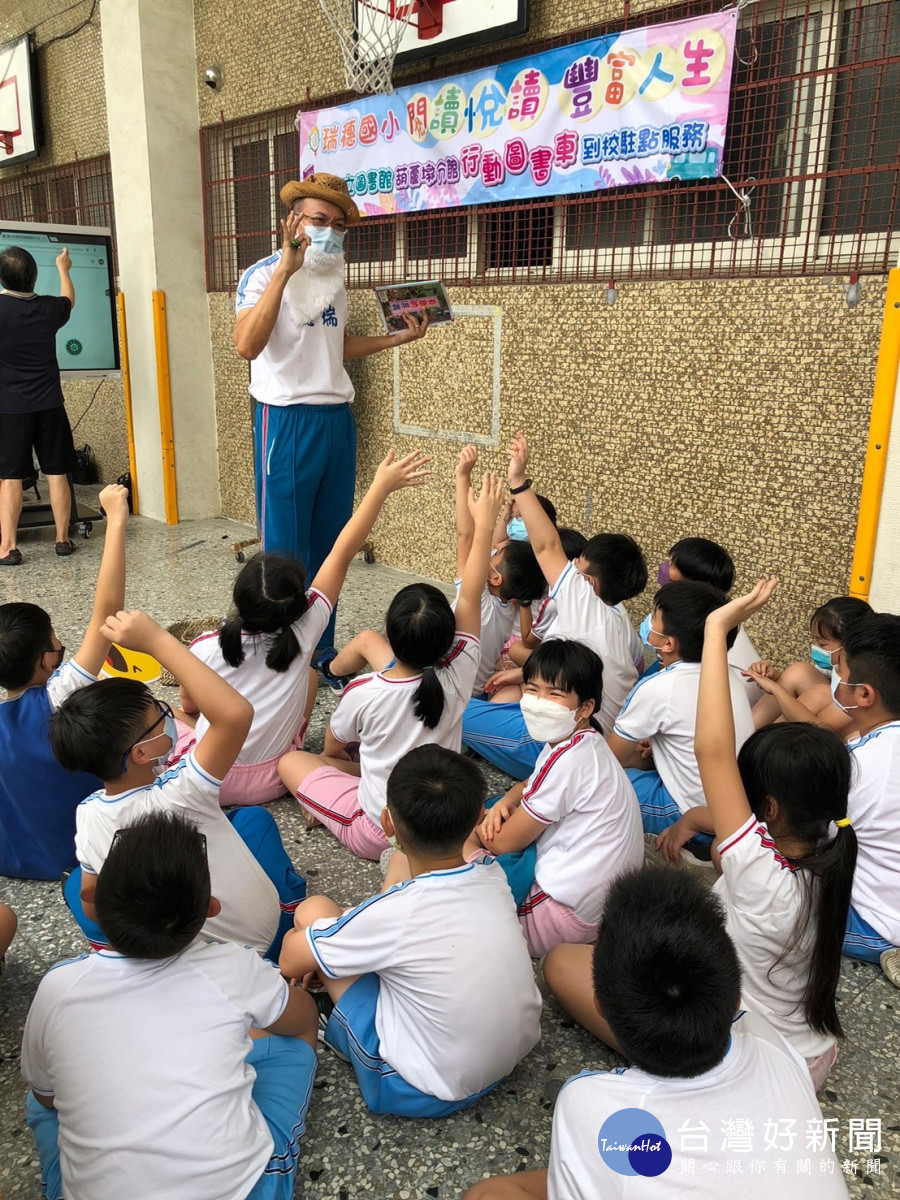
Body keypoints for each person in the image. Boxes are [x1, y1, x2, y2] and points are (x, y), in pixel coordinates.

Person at [471, 868, 849, 1200]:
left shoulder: (589, 1103)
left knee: (486, 1195)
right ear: (736, 998)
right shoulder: (769, 1038)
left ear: (599, 1005)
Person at [22, 811, 319, 1200]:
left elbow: (48, 1097)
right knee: (294, 1040)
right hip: (245, 1190)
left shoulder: (57, 988)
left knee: (40, 1099)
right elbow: (299, 1018)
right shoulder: (233, 966)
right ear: (211, 908)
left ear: (93, 902)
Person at [279, 745, 542, 1118]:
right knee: (362, 930)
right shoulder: (492, 874)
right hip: (510, 1057)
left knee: (313, 911)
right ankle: (337, 955)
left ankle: (341, 1029)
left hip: (421, 1087)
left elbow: (290, 961)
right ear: (478, 820)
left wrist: (319, 951)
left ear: (388, 823)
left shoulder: (395, 914)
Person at [233, 173, 429, 664]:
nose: (330, 232)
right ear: (293, 220)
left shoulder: (333, 280)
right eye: (320, 220)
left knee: (332, 541)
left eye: (339, 225)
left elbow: (335, 348)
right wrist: (285, 270)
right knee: (284, 546)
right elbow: (246, 345)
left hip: (335, 421)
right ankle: (278, 651)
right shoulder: (260, 275)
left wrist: (396, 340)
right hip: (286, 422)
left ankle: (319, 648)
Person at [171, 450, 430, 804]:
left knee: (170, 710)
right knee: (308, 675)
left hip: (211, 777)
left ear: (239, 600)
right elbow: (341, 551)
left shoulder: (204, 646)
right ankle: (352, 771)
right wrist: (379, 489)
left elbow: (191, 703)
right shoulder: (307, 625)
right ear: (297, 604)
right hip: (276, 775)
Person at [50, 610, 305, 958]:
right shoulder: (184, 791)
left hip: (172, 951)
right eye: (159, 717)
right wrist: (156, 640)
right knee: (253, 820)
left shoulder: (89, 814)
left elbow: (94, 906)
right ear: (141, 753)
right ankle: (291, 903)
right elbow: (235, 715)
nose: (168, 716)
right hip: (266, 941)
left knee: (80, 881)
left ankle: (115, 953)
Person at [277, 472, 505, 861]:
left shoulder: (363, 692)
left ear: (388, 633)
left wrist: (348, 763)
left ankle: (325, 808)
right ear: (451, 637)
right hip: (440, 821)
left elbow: (334, 745)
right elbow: (471, 591)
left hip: (379, 829)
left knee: (290, 762)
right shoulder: (462, 668)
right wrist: (485, 524)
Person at [462, 430, 647, 777]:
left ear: (589, 581)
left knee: (448, 706)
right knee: (501, 698)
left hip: (565, 748)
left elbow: (547, 547)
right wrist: (524, 673)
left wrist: (518, 481)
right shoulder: (616, 616)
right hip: (592, 731)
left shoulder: (581, 599)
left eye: (578, 564)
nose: (571, 566)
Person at [466, 639, 643, 957]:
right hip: (596, 908)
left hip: (557, 916)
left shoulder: (569, 760)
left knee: (457, 834)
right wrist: (508, 799)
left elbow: (502, 843)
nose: (537, 702)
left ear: (586, 707)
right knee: (492, 809)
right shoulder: (581, 741)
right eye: (532, 690)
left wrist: (482, 828)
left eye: (554, 694)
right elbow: (528, 784)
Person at [0, 483, 130, 880]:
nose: (61, 644)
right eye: (56, 640)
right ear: (45, 660)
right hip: (85, 855)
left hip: (15, 861)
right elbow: (106, 613)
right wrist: (117, 519)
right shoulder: (59, 694)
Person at [608, 580, 755, 857]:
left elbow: (609, 759)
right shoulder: (727, 676)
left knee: (596, 788)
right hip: (733, 810)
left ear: (668, 643)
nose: (648, 621)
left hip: (686, 810)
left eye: (654, 617)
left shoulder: (659, 686)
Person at [0, 244, 78, 563]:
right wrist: (63, 268)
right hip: (49, 405)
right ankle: (61, 540)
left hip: (10, 408)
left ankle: (8, 547)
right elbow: (69, 299)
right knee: (57, 473)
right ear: (34, 276)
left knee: (10, 477)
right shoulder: (49, 308)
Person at [836, 613, 900, 983]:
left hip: (877, 923)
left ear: (864, 694)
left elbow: (809, 842)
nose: (836, 682)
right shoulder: (868, 749)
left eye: (840, 674)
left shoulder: (859, 766)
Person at [642, 537, 762, 702]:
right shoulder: (705, 616)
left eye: (672, 565)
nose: (664, 567)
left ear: (691, 585)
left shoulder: (698, 631)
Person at [747, 596, 872, 733]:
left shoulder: (866, 684)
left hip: (842, 733)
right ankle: (744, 733)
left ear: (849, 645)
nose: (815, 647)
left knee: (820, 693)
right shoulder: (840, 665)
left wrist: (776, 690)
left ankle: (763, 743)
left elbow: (822, 728)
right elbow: (796, 687)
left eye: (822, 644)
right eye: (815, 640)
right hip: (832, 717)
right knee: (799, 672)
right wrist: (773, 678)